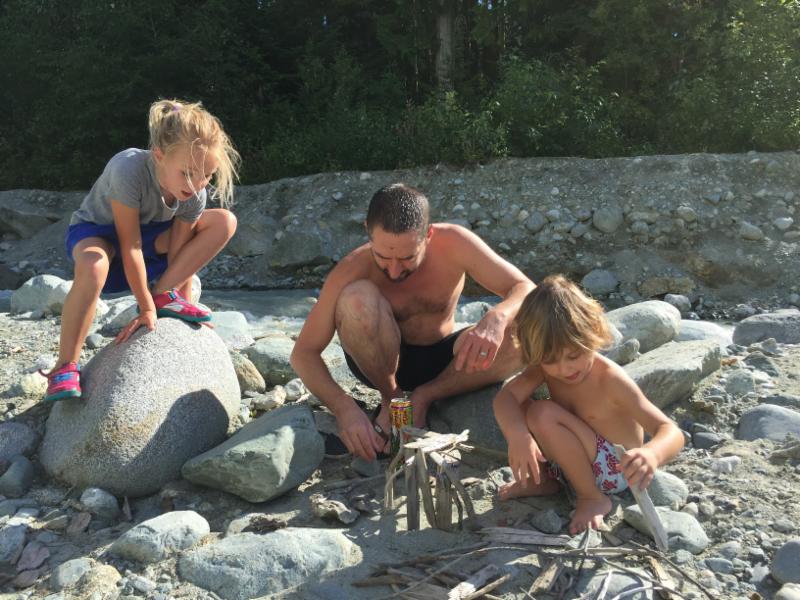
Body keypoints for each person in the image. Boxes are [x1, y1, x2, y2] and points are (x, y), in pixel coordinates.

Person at [290, 183, 535, 461]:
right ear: (368, 232)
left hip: (444, 360)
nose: (394, 271)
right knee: (356, 298)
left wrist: (497, 317)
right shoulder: (352, 268)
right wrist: (344, 409)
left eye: (407, 258)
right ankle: (392, 399)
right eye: (383, 257)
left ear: (428, 234)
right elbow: (303, 353)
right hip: (377, 363)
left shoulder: (454, 243)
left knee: (525, 333)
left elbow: (526, 288)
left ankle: (424, 397)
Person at [41, 99, 240, 402]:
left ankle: (163, 294)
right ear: (159, 155)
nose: (198, 183)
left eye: (207, 175)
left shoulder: (194, 192)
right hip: (99, 236)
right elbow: (130, 245)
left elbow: (179, 255)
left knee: (224, 221)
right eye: (188, 173)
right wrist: (146, 308)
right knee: (94, 265)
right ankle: (64, 366)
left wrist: (181, 307)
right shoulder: (128, 169)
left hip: (149, 244)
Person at [493, 275, 685, 534]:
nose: (564, 369)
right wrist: (518, 435)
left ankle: (592, 497)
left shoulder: (609, 379)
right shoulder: (545, 368)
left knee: (542, 412)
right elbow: (505, 398)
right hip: (576, 457)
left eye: (574, 355)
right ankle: (546, 479)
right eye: (550, 360)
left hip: (616, 468)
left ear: (592, 333)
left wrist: (652, 454)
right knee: (522, 408)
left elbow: (670, 430)